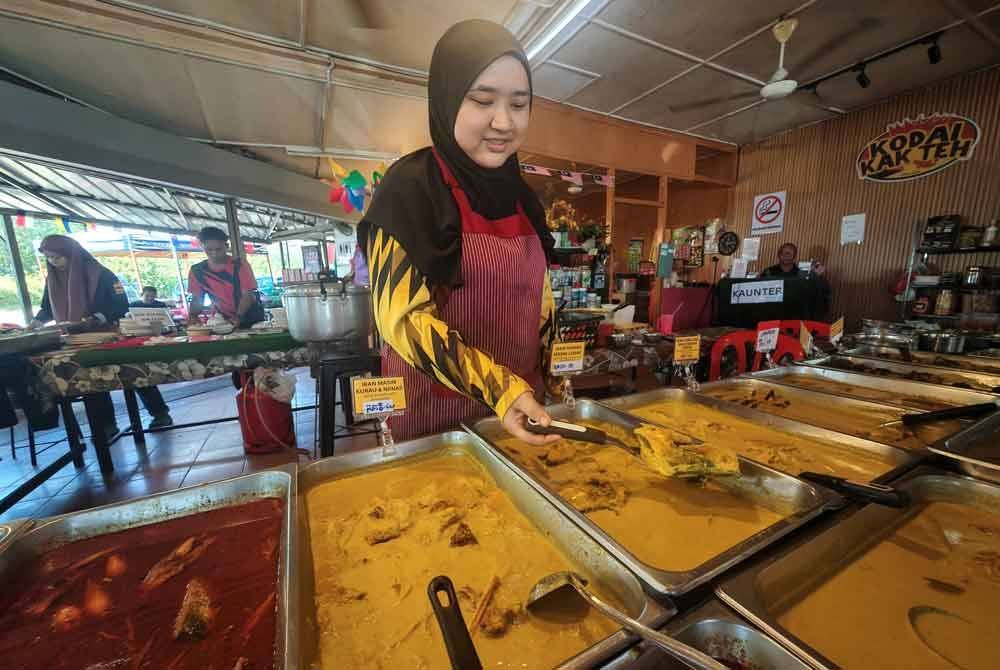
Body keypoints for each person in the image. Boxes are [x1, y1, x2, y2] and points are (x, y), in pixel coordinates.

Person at [358, 20, 561, 445]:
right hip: (436, 419)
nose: (504, 122)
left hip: (524, 415)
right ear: (447, 100)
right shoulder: (408, 189)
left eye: (519, 105)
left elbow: (541, 306)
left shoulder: (524, 198)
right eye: (483, 100)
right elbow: (403, 322)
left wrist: (555, 383)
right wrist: (499, 389)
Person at [29, 235, 129, 442]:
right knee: (87, 380)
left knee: (127, 373)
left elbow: (120, 305)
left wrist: (91, 320)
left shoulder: (100, 273)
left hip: (105, 335)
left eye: (57, 258)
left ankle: (158, 412)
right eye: (49, 258)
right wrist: (35, 324)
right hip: (73, 339)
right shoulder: (53, 279)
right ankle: (100, 428)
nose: (53, 262)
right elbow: (47, 308)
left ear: (71, 254)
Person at [187, 226, 265, 328]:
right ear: (202, 247)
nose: (214, 254)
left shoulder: (239, 265)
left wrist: (238, 317)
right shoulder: (197, 271)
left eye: (218, 249)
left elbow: (248, 295)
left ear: (226, 246)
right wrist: (193, 316)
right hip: (222, 320)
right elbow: (197, 298)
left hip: (250, 318)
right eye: (209, 250)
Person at [127, 286, 174, 430]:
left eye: (152, 296)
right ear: (142, 295)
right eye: (147, 296)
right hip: (138, 342)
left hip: (159, 340)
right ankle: (160, 414)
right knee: (139, 375)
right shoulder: (133, 306)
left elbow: (168, 323)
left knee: (139, 376)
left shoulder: (160, 305)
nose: (150, 299)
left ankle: (160, 414)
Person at [762, 242, 832, 316]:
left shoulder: (802, 273)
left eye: (790, 253)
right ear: (779, 255)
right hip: (772, 313)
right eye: (784, 253)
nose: (786, 256)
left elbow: (817, 293)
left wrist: (817, 277)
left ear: (794, 256)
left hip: (795, 314)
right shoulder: (768, 272)